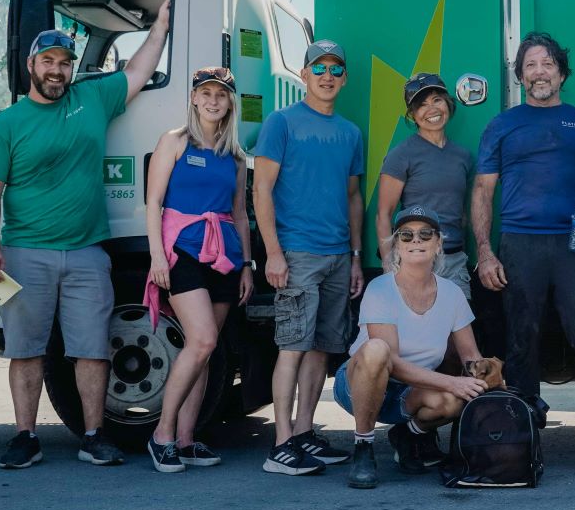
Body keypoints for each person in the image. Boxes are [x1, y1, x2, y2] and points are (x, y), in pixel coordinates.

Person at [0, 5, 170, 470]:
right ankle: (25, 436)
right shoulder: (4, 125)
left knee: (91, 349)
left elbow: (141, 68)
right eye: (49, 61)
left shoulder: (93, 100)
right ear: (32, 66)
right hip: (25, 253)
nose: (57, 70)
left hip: (87, 253)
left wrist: (161, 25)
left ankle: (93, 435)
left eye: (65, 62)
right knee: (26, 350)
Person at [472, 31, 575, 475]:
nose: (539, 72)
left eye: (547, 64)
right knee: (521, 343)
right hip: (519, 244)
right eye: (530, 65)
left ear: (561, 72)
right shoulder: (502, 125)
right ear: (520, 76)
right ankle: (524, 436)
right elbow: (483, 192)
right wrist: (485, 252)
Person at [255, 38, 366, 475]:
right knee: (292, 347)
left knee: (322, 349)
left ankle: (303, 433)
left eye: (335, 69)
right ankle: (280, 444)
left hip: (338, 256)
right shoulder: (281, 123)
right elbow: (261, 189)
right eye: (318, 68)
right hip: (296, 254)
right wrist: (273, 253)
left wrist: (356, 256)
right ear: (304, 75)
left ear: (344, 78)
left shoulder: (351, 132)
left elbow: (354, 197)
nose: (327, 76)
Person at [141, 66, 254, 474]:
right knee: (202, 340)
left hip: (222, 253)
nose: (212, 100)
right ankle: (162, 435)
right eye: (205, 93)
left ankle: (187, 441)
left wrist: (245, 265)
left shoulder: (236, 157)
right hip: (181, 252)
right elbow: (153, 202)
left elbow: (239, 214)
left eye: (221, 95)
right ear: (193, 97)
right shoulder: (173, 141)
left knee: (204, 350)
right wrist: (157, 256)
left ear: (230, 103)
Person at [334, 204, 491, 489]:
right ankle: (363, 448)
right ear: (395, 245)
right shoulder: (380, 288)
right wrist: (450, 381)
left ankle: (407, 435)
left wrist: (488, 381)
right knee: (377, 349)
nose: (416, 240)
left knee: (457, 399)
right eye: (406, 235)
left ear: (438, 242)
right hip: (358, 384)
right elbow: (390, 361)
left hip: (410, 390)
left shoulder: (452, 293)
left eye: (425, 234)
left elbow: (470, 356)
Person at [376, 73, 476, 298]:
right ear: (412, 115)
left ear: (448, 103)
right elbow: (383, 215)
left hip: (455, 262)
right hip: (414, 260)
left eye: (436, 100)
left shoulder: (463, 156)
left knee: (457, 330)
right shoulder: (401, 155)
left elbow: (461, 214)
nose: (431, 109)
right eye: (421, 105)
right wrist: (389, 267)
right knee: (416, 332)